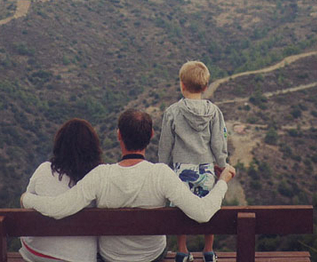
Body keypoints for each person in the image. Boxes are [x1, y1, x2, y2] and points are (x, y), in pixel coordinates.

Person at [22, 109, 236, 262]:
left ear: (119, 135)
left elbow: (59, 208)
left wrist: (27, 199)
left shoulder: (101, 175)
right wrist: (222, 181)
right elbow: (202, 212)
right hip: (152, 256)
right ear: (151, 135)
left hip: (111, 258)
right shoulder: (161, 174)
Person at [158, 60, 228, 262]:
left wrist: (163, 166)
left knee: (181, 209)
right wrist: (222, 164)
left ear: (182, 84)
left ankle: (182, 250)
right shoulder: (214, 112)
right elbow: (218, 143)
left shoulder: (172, 112)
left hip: (181, 170)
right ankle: (208, 250)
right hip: (206, 169)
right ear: (205, 87)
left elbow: (165, 145)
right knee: (209, 207)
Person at [19, 118, 103, 262]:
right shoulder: (99, 177)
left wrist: (25, 198)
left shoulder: (44, 170)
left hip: (41, 254)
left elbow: (26, 211)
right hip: (83, 257)